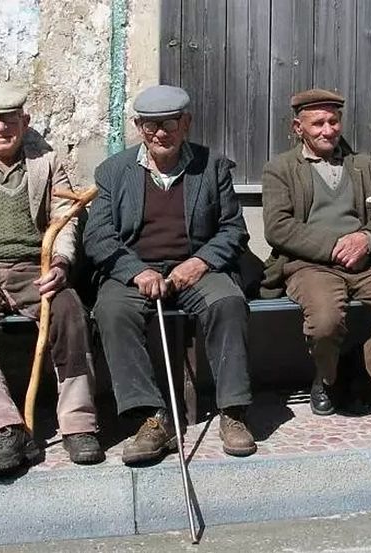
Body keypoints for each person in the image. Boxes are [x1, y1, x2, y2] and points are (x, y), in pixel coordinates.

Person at [0, 82, 103, 477]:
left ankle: (78, 424)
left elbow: (65, 219)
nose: (1, 128)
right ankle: (4, 431)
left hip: (32, 268)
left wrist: (60, 262)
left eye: (10, 120)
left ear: (24, 121)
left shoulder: (47, 162)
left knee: (69, 312)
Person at [84, 85, 256, 462]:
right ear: (139, 127)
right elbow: (97, 236)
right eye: (150, 125)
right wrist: (135, 271)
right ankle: (151, 418)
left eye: (169, 124)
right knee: (112, 311)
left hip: (195, 267)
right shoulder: (114, 171)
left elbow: (233, 229)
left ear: (186, 123)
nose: (160, 133)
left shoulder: (212, 166)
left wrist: (200, 262)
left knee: (228, 302)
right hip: (135, 269)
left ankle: (233, 412)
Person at [261, 88, 371, 416]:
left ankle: (362, 371)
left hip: (366, 262)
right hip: (310, 265)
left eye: (333, 121)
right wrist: (335, 248)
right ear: (298, 128)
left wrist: (366, 239)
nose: (328, 130)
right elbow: (278, 228)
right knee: (325, 322)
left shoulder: (363, 166)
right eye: (318, 123)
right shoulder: (280, 169)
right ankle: (327, 377)